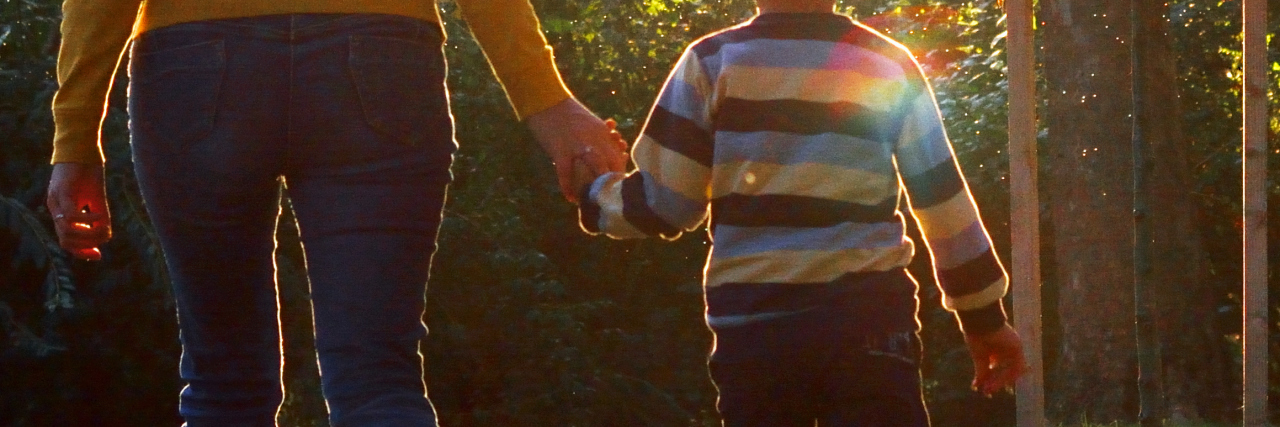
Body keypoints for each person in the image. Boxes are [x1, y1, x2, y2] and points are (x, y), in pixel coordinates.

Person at [45, 1, 626, 426]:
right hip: (380, 54)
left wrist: (74, 141)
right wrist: (546, 101)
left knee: (223, 388)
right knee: (378, 381)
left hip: (195, 65)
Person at [572, 0, 1027, 425]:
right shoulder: (887, 65)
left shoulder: (712, 63)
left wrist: (595, 192)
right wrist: (983, 317)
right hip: (869, 324)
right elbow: (942, 200)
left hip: (756, 332)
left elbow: (665, 204)